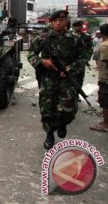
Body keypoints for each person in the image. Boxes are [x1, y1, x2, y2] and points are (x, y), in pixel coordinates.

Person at [27, 10, 87, 150]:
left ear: (66, 22)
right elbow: (31, 53)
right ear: (51, 22)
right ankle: (49, 134)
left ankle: (62, 123)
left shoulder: (75, 39)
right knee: (47, 109)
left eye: (61, 20)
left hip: (67, 79)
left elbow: (83, 57)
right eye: (55, 21)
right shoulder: (43, 38)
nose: (58, 23)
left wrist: (71, 68)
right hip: (48, 78)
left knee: (68, 109)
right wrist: (42, 61)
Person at [90, 24, 108, 132]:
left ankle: (106, 124)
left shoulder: (104, 45)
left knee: (105, 102)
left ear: (101, 33)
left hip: (106, 79)